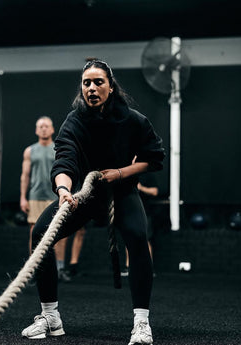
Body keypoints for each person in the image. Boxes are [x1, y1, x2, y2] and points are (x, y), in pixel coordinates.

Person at [20, 60, 165, 345]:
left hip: (122, 193)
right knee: (40, 234)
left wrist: (120, 173)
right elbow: (64, 158)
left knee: (137, 238)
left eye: (98, 82)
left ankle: (142, 323)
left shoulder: (133, 120)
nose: (92, 88)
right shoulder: (74, 121)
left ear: (111, 86)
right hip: (84, 196)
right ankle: (50, 317)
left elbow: (153, 158)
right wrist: (63, 190)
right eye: (86, 83)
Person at [19, 116, 85, 282]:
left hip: (56, 196)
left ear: (52, 129)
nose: (43, 129)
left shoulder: (59, 148)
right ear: (36, 130)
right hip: (35, 197)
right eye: (40, 126)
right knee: (34, 233)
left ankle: (60, 268)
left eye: (46, 126)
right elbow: (25, 176)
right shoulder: (29, 151)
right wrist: (23, 198)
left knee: (59, 233)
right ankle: (33, 269)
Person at [121, 176, 159, 277]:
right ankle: (128, 267)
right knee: (129, 238)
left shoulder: (147, 176)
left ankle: (149, 268)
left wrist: (141, 188)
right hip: (130, 212)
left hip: (145, 212)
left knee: (146, 239)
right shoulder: (127, 176)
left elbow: (155, 191)